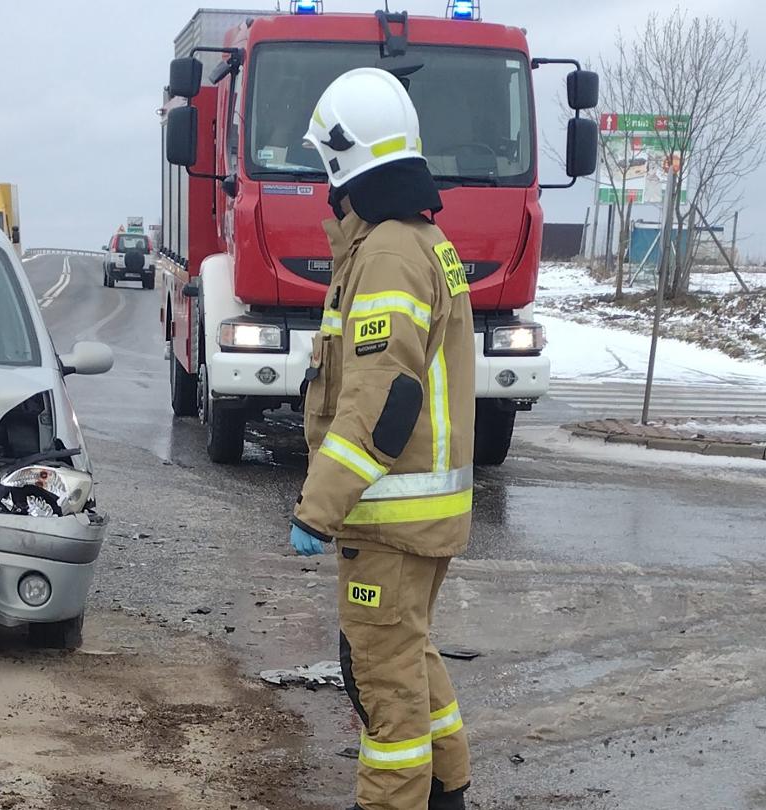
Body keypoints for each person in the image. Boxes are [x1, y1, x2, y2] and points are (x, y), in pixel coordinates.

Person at [288, 67, 476, 810]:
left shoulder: (389, 252)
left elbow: (380, 397)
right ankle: (448, 791)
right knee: (412, 662)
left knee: (386, 691)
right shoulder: (417, 241)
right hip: (416, 519)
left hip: (389, 525)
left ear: (344, 164)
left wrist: (317, 507)